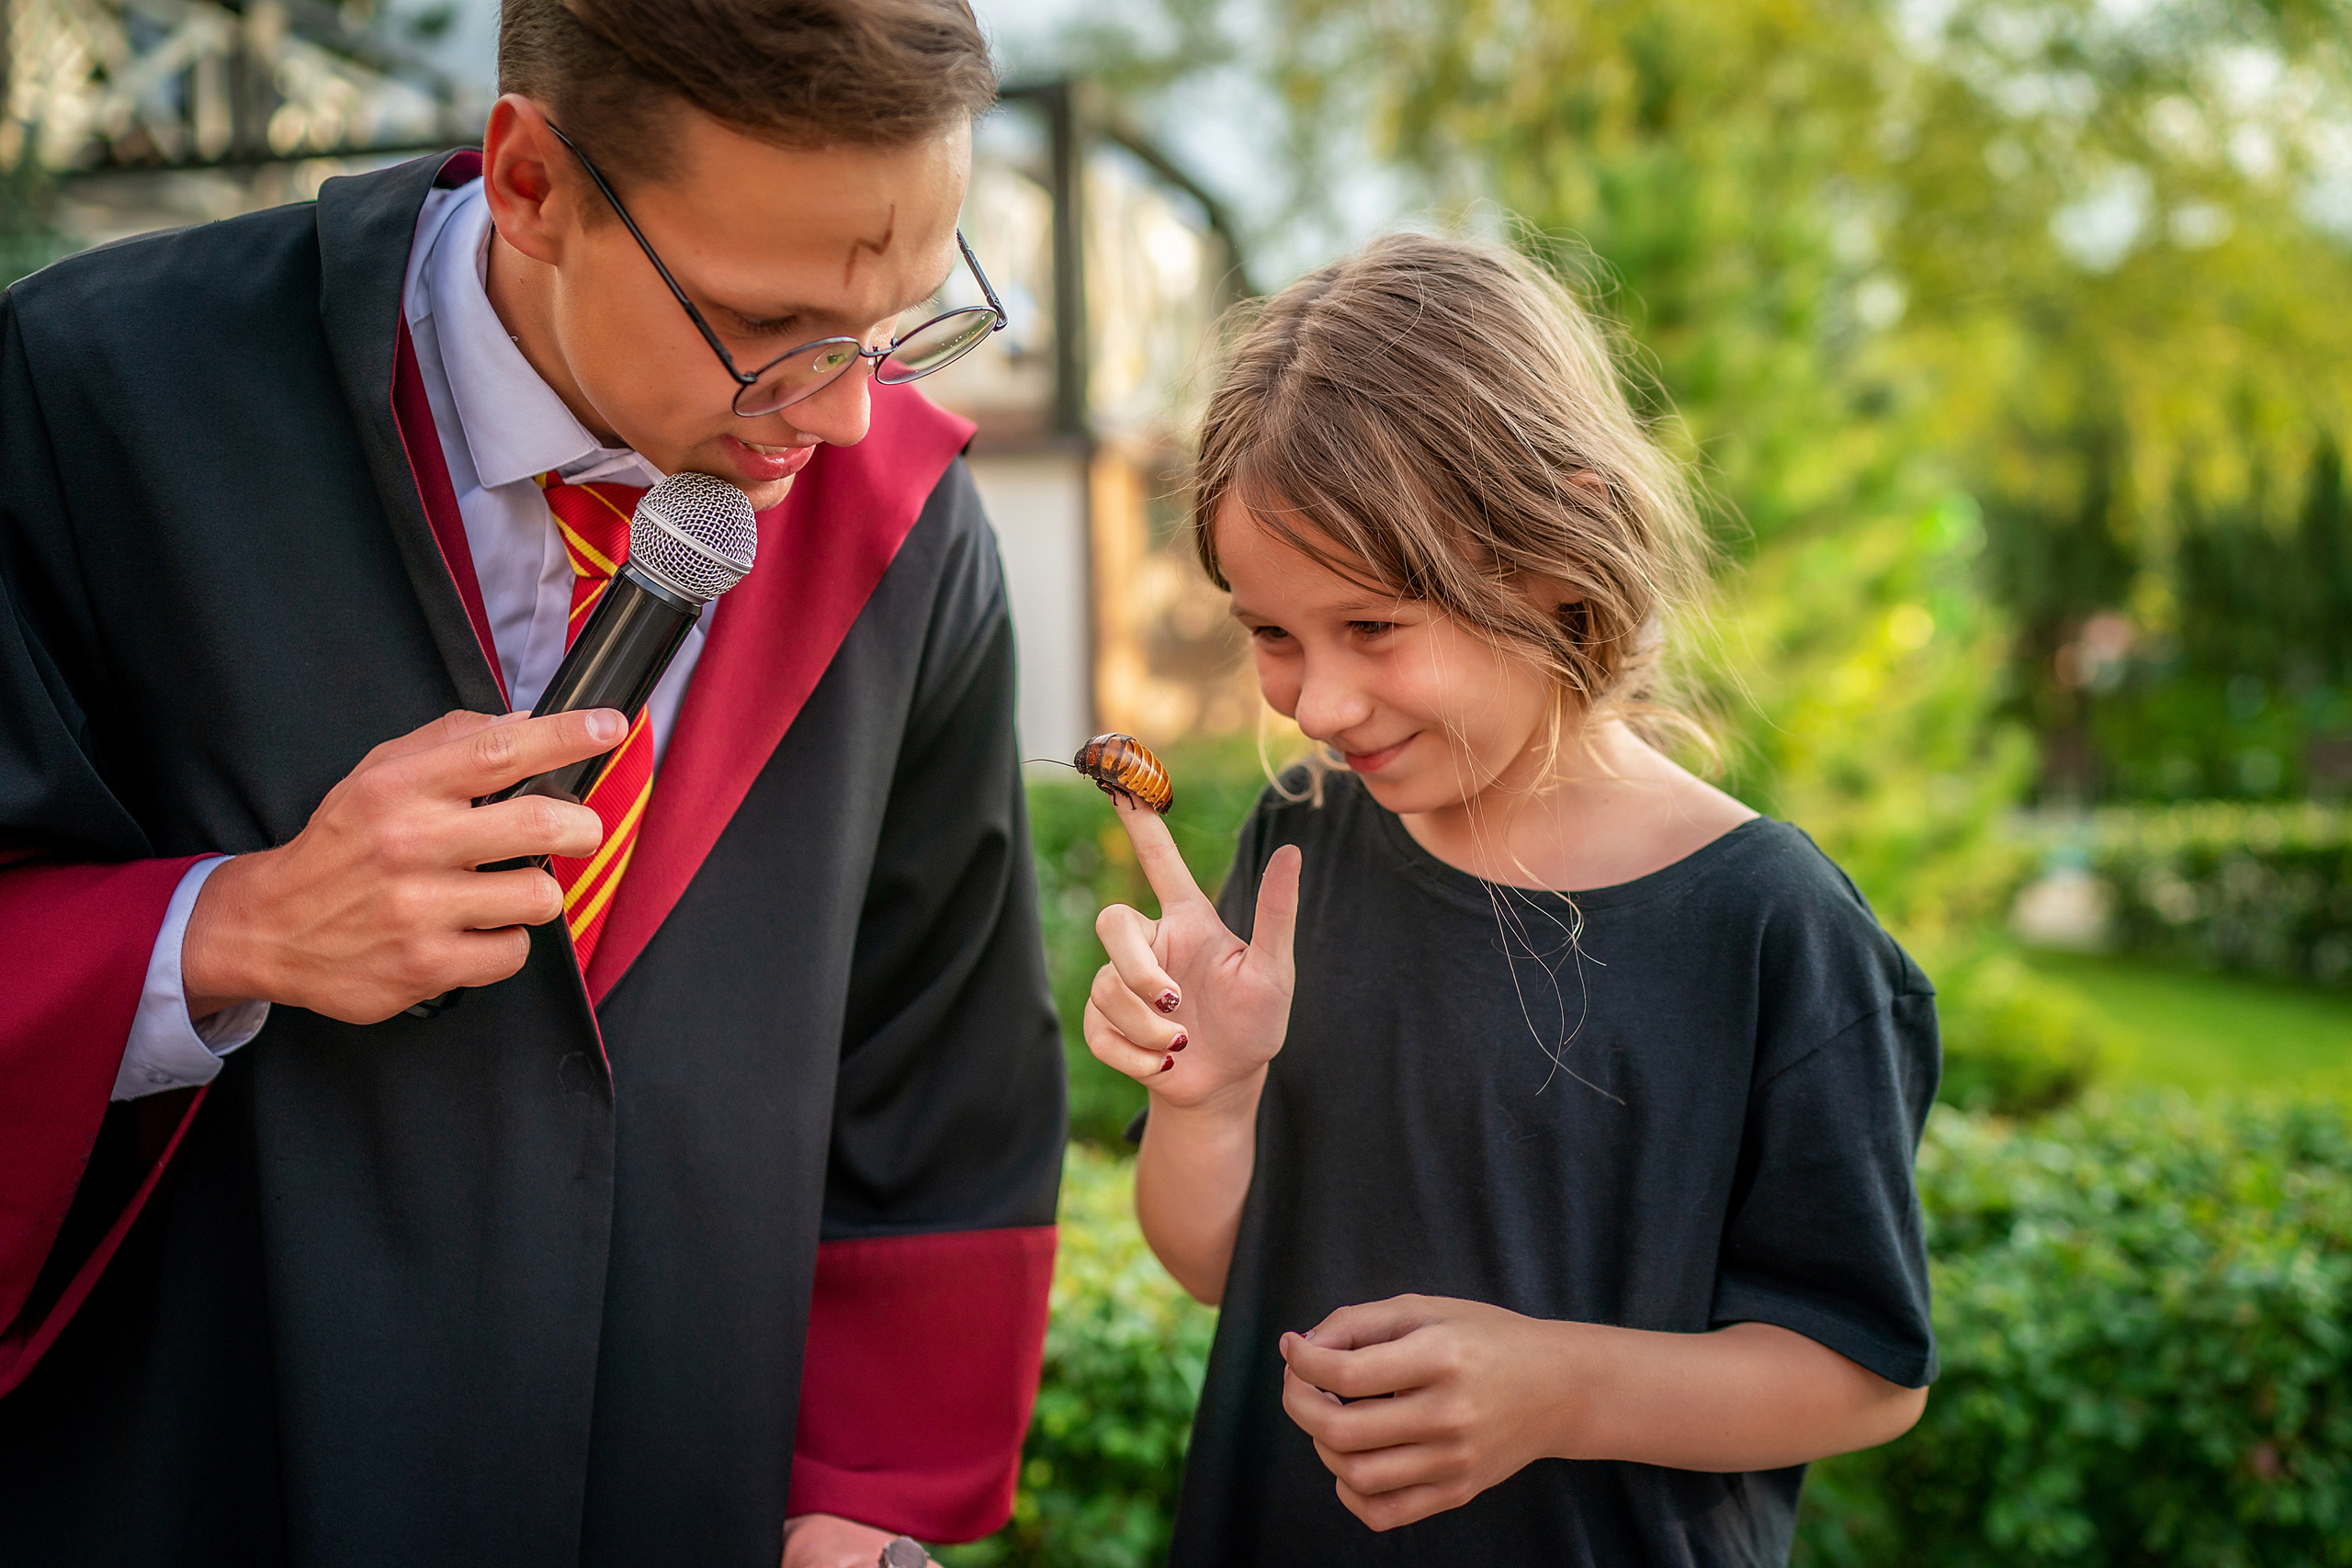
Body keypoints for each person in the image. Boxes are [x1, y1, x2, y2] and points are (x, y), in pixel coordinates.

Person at [0, 4, 1065, 1565]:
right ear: (530, 184)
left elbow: (937, 1061)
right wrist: (225, 932)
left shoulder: (900, 526)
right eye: (766, 326)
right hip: (200, 1470)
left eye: (906, 319)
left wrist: (866, 1510)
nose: (846, 412)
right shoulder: (94, 396)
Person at [1083, 233, 1939, 1564]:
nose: (1318, 701)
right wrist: (1209, 1098)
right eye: (1271, 634)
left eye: (1371, 627)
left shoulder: (1770, 927)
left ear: (1554, 555)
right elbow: (1212, 1264)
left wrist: (1557, 1387)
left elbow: (1869, 1373)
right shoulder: (1305, 844)